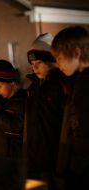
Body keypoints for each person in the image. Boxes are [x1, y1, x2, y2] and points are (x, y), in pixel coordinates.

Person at [24, 33, 69, 189]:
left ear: (52, 62)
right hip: (35, 159)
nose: (34, 67)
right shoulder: (33, 88)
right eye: (32, 63)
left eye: (39, 62)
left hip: (55, 159)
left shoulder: (61, 86)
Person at [51, 26, 89, 190]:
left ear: (76, 53)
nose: (58, 65)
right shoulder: (80, 79)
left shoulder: (86, 83)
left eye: (59, 58)